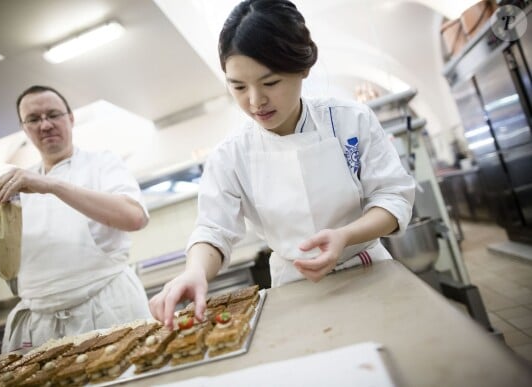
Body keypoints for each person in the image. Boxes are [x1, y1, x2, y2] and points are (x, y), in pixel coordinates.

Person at [149, 0, 416, 328]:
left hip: (367, 269)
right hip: (295, 289)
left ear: (302, 68)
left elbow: (393, 198)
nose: (255, 101)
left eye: (270, 82)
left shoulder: (350, 120)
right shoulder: (232, 155)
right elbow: (214, 228)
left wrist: (345, 236)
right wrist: (194, 272)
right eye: (238, 86)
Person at [0, 85, 152, 353]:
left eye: (53, 114)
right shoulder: (11, 183)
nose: (45, 125)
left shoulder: (102, 163)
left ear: (70, 118)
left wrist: (51, 185)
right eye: (33, 119)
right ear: (24, 128)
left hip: (108, 309)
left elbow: (134, 217)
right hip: (42, 327)